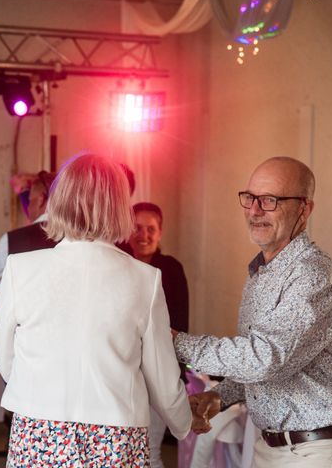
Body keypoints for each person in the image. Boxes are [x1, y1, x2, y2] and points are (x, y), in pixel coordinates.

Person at [0, 153, 191, 466]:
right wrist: (185, 423)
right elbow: (162, 377)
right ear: (119, 207)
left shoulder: (21, 269)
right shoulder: (145, 279)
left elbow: (4, 357)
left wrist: (40, 389)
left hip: (38, 429)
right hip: (115, 435)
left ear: (60, 201)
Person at [173, 156, 332, 467]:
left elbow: (266, 358)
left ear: (304, 209)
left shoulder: (313, 273)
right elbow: (272, 366)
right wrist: (222, 396)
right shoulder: (263, 271)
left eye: (269, 200)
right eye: (249, 198)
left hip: (316, 450)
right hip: (272, 446)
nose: (254, 210)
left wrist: (177, 343)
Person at [127, 201, 189, 468]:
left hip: (157, 369)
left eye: (150, 229)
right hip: (124, 371)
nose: (144, 235)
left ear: (160, 232)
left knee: (149, 451)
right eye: (138, 228)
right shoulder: (119, 264)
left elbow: (179, 325)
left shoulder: (171, 269)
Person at [0, 170, 57, 302]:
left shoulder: (9, 241)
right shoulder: (77, 236)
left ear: (40, 200)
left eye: (29, 200)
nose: (28, 207)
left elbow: (0, 296)